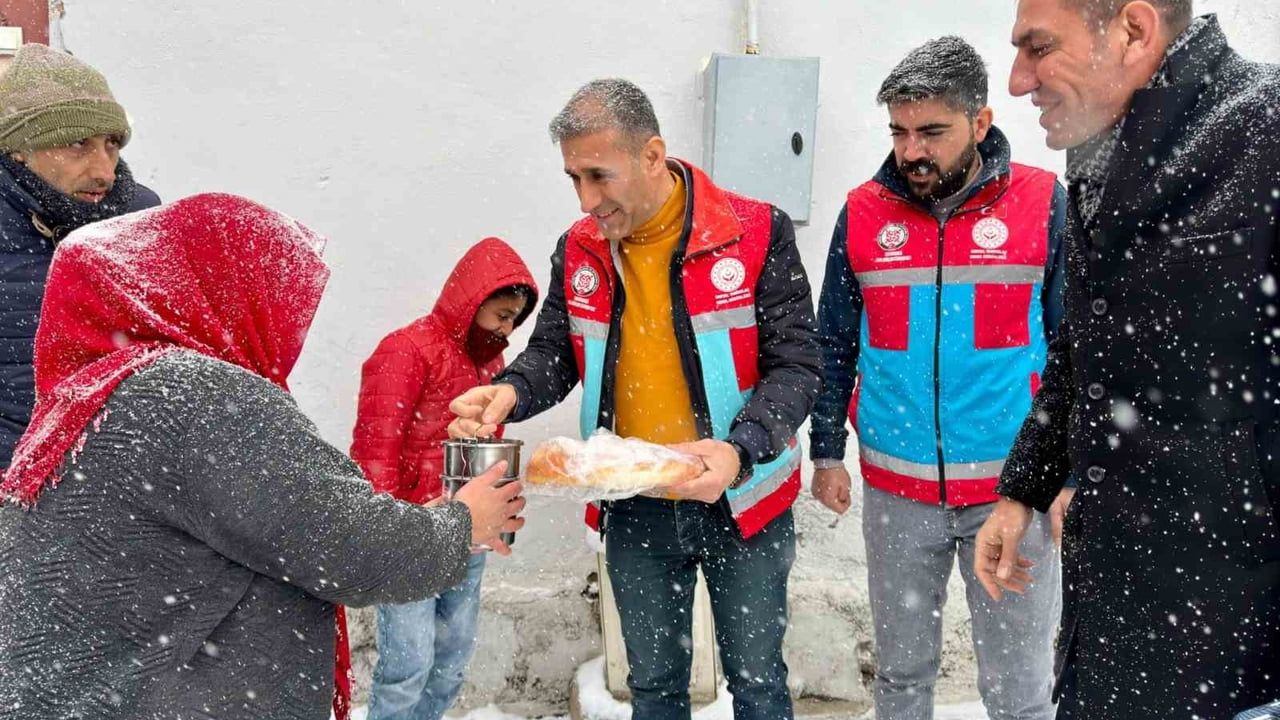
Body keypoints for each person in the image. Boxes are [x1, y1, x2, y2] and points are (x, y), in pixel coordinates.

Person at [0, 193, 525, 720]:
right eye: (279, 301)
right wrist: (462, 523)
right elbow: (344, 543)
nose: (289, 329)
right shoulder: (196, 396)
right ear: (228, 290)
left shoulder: (93, 393)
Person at [448, 78, 822, 720]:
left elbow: (798, 365)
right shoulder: (578, 248)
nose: (587, 199)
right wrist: (509, 390)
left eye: (600, 175)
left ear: (652, 155)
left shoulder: (757, 231)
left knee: (758, 686)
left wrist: (740, 451)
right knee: (651, 690)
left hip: (742, 498)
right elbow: (554, 357)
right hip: (634, 501)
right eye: (573, 178)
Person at [976, 2, 1280, 718]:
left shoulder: (1265, 133)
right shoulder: (1101, 156)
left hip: (1238, 654)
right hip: (1113, 626)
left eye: (1039, 48)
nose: (1019, 82)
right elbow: (1082, 352)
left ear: (1135, 30)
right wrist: (1023, 487)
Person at [808, 36, 1068, 720]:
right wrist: (826, 450)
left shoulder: (1042, 203)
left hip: (1012, 496)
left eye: (932, 132)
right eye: (899, 131)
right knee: (900, 680)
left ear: (980, 123)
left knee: (1018, 691)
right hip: (899, 495)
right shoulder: (863, 214)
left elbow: (1076, 349)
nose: (911, 151)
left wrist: (1068, 474)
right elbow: (833, 341)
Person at [351, 237, 537, 720]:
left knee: (452, 663)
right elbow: (375, 451)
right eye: (500, 315)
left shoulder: (489, 364)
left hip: (467, 535)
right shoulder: (405, 351)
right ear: (470, 304)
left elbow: (482, 454)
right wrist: (384, 530)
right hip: (411, 532)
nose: (507, 329)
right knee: (407, 665)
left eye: (514, 319)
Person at [0, 43, 160, 465]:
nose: (102, 170)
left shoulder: (138, 216)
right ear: (19, 149)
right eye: (76, 144)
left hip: (116, 476)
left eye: (111, 144)